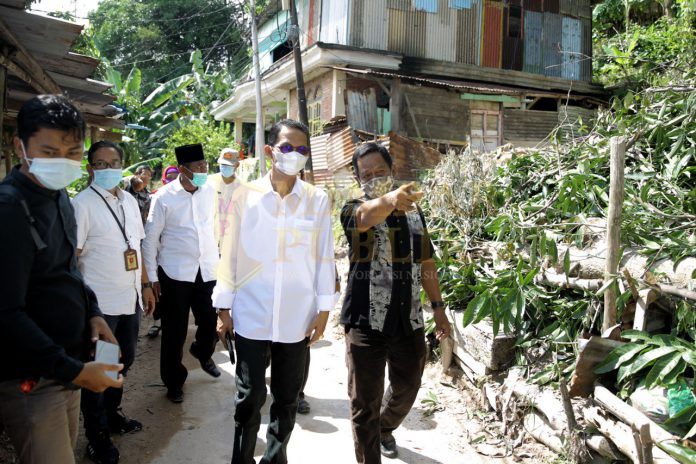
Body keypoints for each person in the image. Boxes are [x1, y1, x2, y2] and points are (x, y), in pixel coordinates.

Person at [0, 95, 123, 464]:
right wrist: (75, 371)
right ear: (19, 146)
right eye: (49, 151)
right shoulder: (10, 210)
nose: (62, 163)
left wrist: (94, 313)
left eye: (72, 152)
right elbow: (6, 312)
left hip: (68, 368)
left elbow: (66, 271)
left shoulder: (58, 196)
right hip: (34, 379)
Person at [214, 119, 336, 464]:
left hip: (296, 317)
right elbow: (230, 255)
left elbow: (324, 257)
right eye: (286, 147)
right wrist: (223, 309)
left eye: (301, 150)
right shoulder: (244, 196)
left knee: (286, 397)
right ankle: (242, 457)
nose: (294, 155)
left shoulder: (317, 199)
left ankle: (275, 457)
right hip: (251, 313)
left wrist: (324, 311)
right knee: (250, 395)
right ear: (270, 152)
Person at [340, 142, 452, 463]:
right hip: (365, 321)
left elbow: (426, 262)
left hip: (408, 319)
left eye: (380, 171)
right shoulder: (352, 207)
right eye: (367, 174)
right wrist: (388, 200)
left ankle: (385, 427)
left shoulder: (415, 212)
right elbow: (363, 218)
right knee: (364, 404)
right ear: (358, 178)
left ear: (392, 170)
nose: (374, 178)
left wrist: (438, 309)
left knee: (409, 385)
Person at [73, 141, 157, 464]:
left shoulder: (130, 203)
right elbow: (72, 259)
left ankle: (112, 415)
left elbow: (135, 245)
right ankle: (96, 437)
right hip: (101, 308)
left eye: (114, 162)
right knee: (101, 370)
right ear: (91, 168)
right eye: (100, 163)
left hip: (130, 300)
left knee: (124, 362)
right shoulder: (83, 205)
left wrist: (146, 285)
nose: (108, 168)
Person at [142, 144, 221, 403]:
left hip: (207, 269)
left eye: (205, 165)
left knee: (211, 321)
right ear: (183, 170)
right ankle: (174, 382)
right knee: (174, 332)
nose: (203, 170)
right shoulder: (164, 197)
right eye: (198, 167)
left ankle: (201, 350)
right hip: (174, 272)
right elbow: (151, 239)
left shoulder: (210, 190)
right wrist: (152, 277)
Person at [147, 165, 180, 338]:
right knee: (156, 288)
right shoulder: (156, 196)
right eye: (171, 176)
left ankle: (168, 323)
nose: (174, 179)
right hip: (155, 251)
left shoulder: (181, 197)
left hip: (171, 256)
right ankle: (156, 321)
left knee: (168, 294)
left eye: (176, 175)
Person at [207, 147, 242, 245]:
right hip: (209, 241)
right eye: (223, 164)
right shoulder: (208, 182)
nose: (225, 167)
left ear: (237, 165)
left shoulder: (242, 188)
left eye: (228, 165)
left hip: (231, 242)